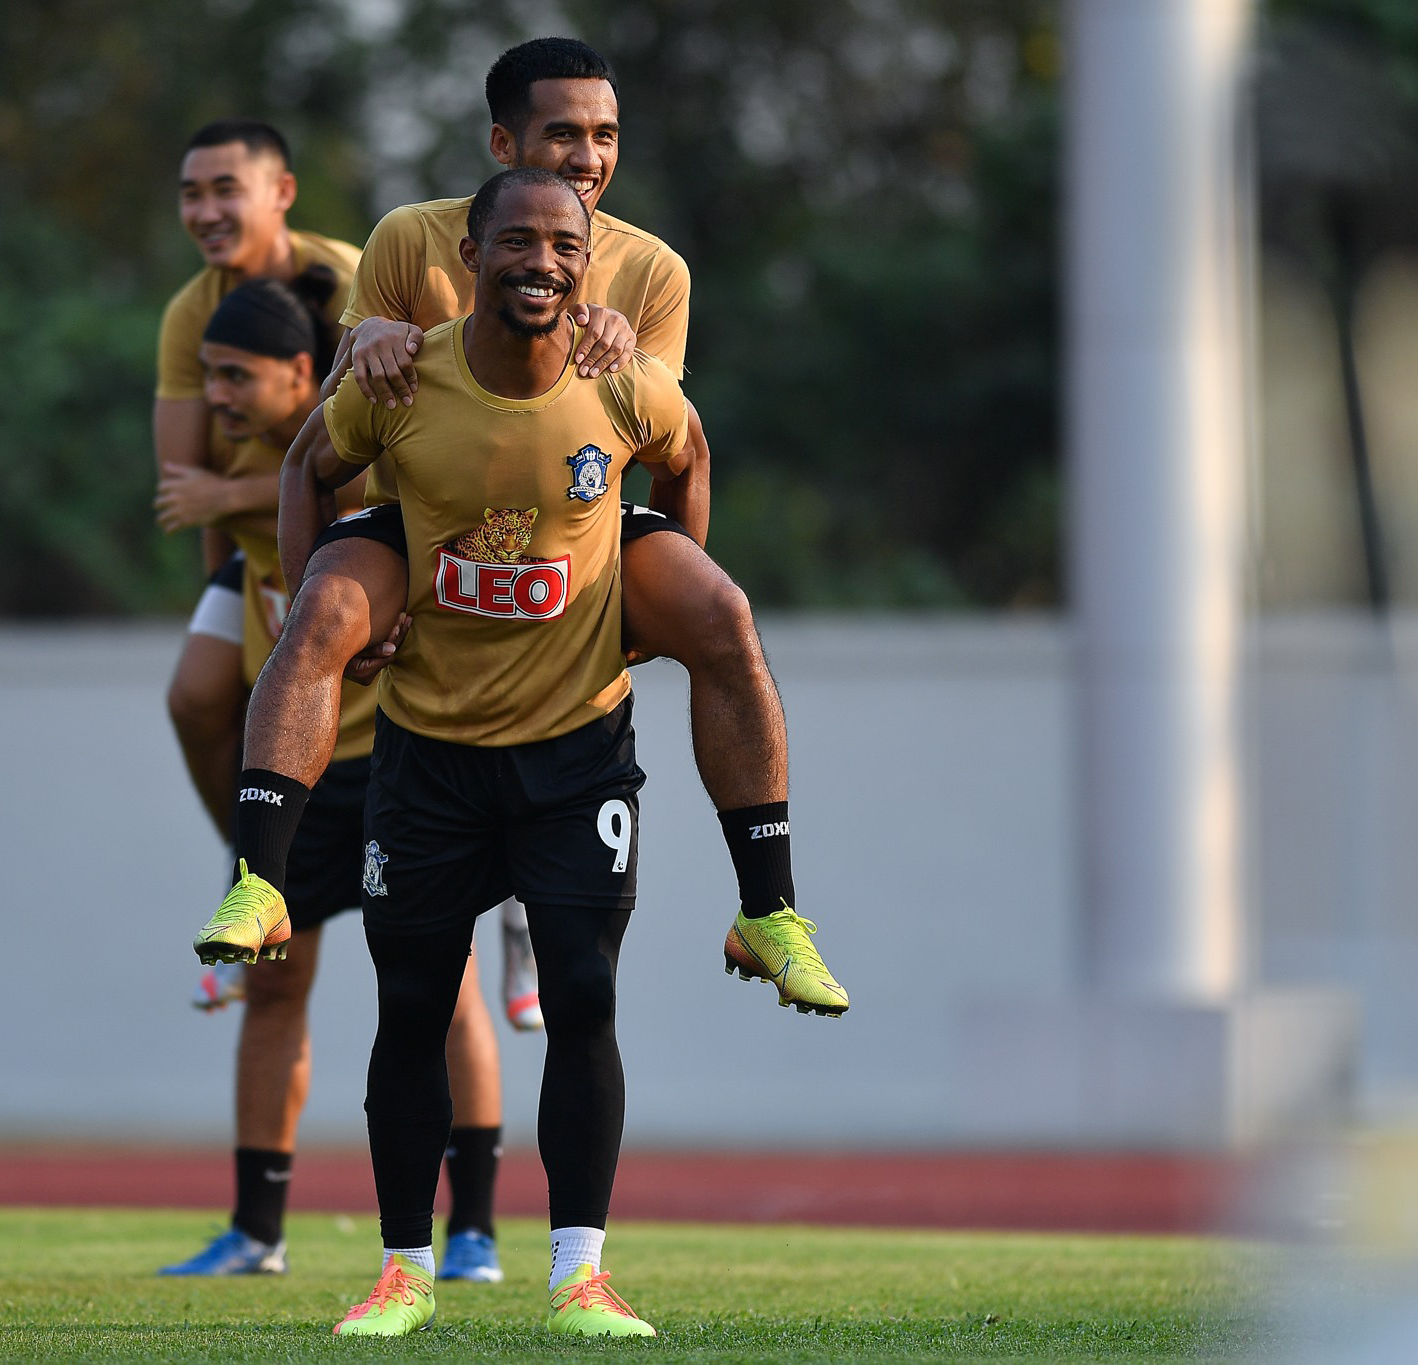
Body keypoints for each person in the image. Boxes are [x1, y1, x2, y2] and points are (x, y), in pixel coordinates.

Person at [205, 167, 691, 1334]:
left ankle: (578, 1275)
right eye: (516, 240)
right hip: (429, 749)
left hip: (575, 749)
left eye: (563, 244)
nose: (541, 260)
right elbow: (307, 466)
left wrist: (652, 595)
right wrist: (319, 593)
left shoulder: (620, 372)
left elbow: (688, 456)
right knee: (413, 1002)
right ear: (469, 258)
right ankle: (402, 1273)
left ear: (588, 261)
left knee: (582, 995)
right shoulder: (401, 373)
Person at [277, 38, 850, 1015]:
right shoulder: (409, 238)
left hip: (574, 530)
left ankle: (768, 906)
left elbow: (667, 440)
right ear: (502, 145)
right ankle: (259, 877)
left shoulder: (654, 271)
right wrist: (363, 338)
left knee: (723, 616)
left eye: (606, 135)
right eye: (563, 134)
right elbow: (334, 429)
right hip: (426, 524)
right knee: (311, 626)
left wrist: (647, 605)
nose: (588, 156)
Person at [153, 176, 507, 1285]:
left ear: (304, 377)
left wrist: (227, 502)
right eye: (208, 375)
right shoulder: (241, 465)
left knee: (440, 989)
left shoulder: (356, 446)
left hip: (397, 756)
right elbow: (229, 551)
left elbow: (364, 508)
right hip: (300, 771)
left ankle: (475, 1230)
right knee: (273, 987)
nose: (215, 395)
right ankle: (255, 1230)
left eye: (237, 376)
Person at [158, 119, 547, 1035]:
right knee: (197, 693)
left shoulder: (352, 271)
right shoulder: (188, 312)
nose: (206, 211)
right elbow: (187, 487)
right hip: (263, 546)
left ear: (282, 194)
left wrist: (237, 497)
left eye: (225, 189)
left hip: (372, 524)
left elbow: (394, 438)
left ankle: (516, 905)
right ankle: (252, 866)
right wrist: (237, 579)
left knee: (491, 698)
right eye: (190, 193)